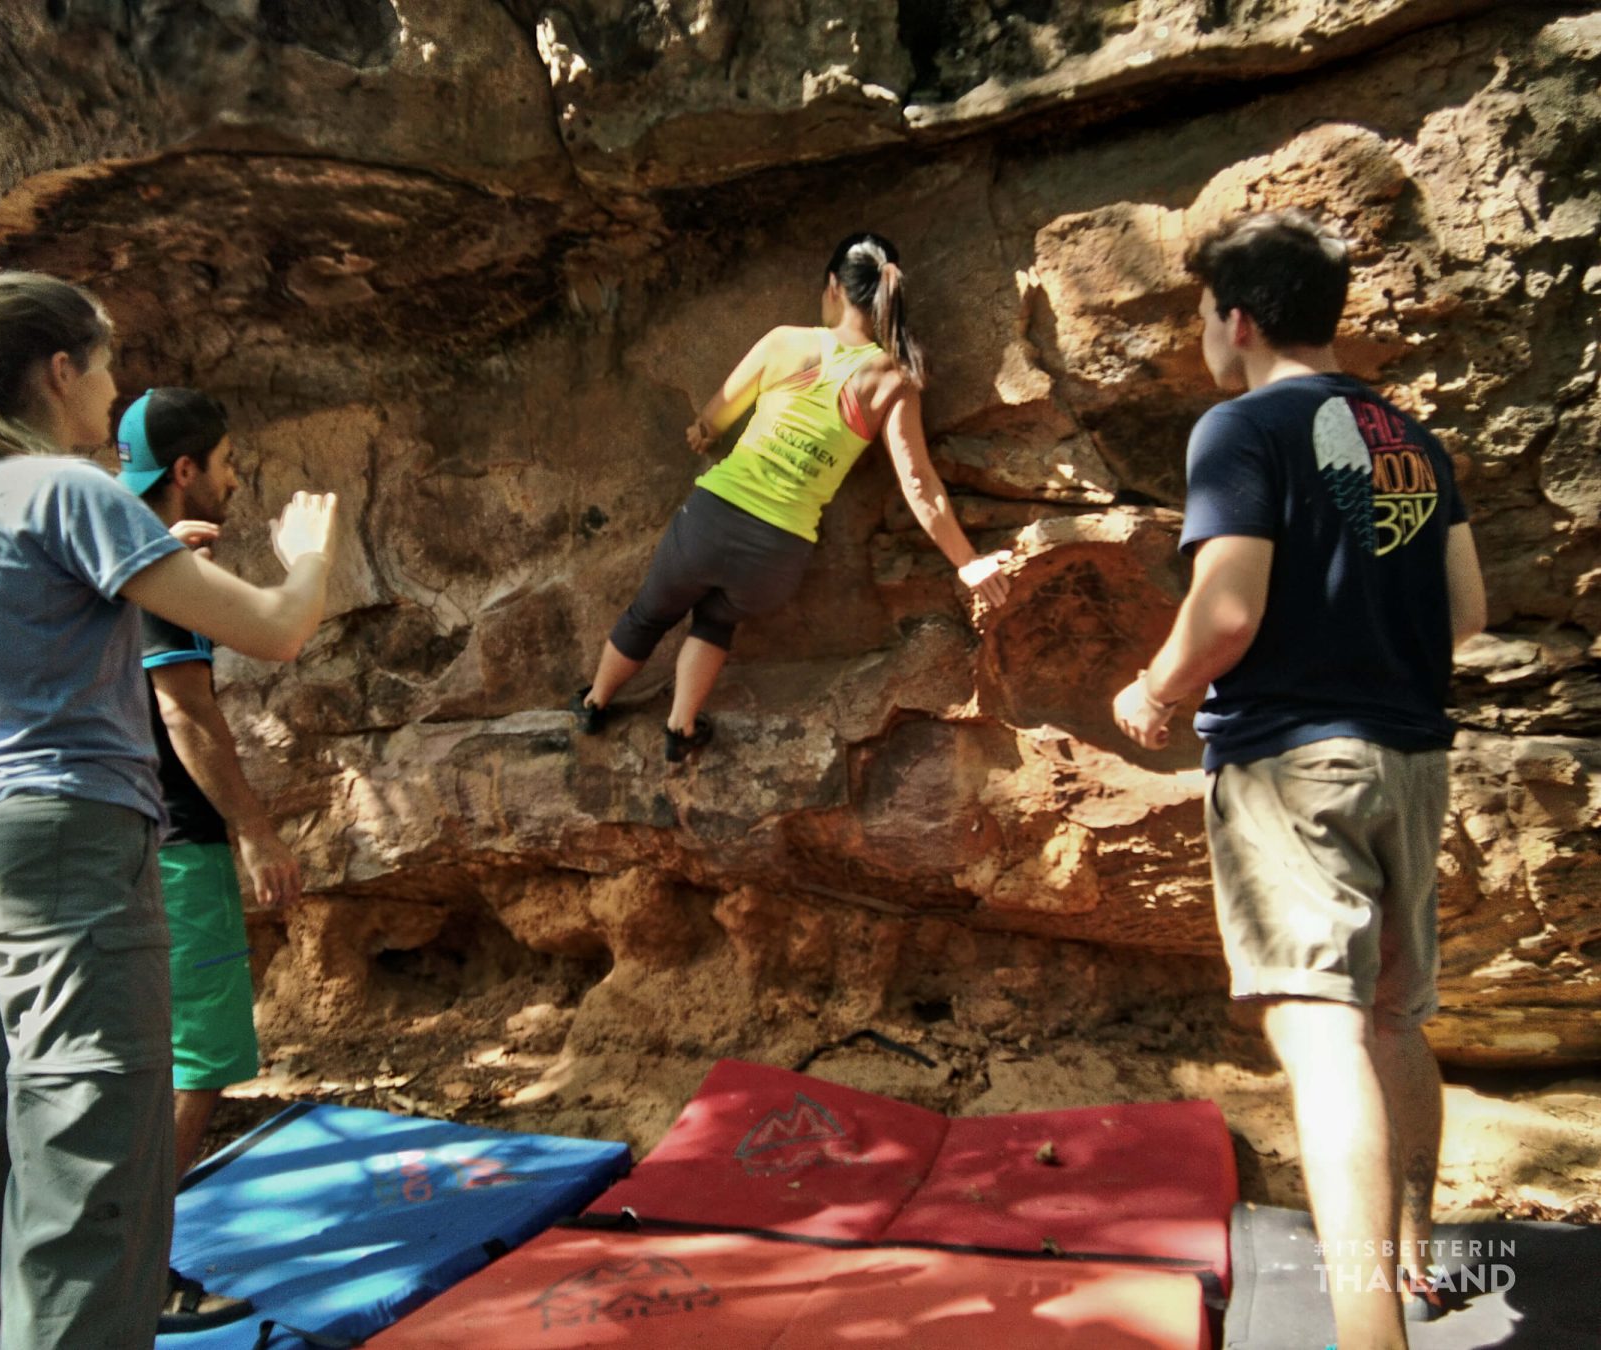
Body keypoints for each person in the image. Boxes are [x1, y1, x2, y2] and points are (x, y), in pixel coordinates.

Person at [0, 271, 337, 1348]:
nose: (117, 387)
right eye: (110, 362)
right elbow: (274, 628)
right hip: (70, 859)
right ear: (60, 370)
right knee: (92, 1173)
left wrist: (153, 555)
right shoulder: (62, 490)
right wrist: (311, 559)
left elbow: (39, 623)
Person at [1110, 211, 1486, 1350]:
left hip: (1293, 763)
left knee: (1320, 1038)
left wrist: (1155, 692)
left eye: (1204, 316)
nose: (1205, 338)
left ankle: (1368, 1334)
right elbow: (1463, 610)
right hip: (1412, 756)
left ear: (1241, 317)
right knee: (1390, 1017)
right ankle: (1412, 1249)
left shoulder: (1241, 427)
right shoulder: (1412, 435)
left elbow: (1227, 606)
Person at [572, 232, 1011, 760]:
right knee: (716, 621)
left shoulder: (785, 341)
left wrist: (702, 433)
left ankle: (595, 704)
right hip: (776, 558)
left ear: (834, 286)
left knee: (648, 615)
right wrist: (967, 564)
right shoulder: (894, 380)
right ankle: (681, 729)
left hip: (710, 523)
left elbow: (719, 411)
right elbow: (919, 484)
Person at [113, 387, 301, 1184]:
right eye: (224, 464)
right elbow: (186, 712)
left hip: (111, 832)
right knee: (201, 1054)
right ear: (184, 468)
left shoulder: (104, 544)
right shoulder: (166, 574)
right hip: (175, 844)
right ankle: (137, 1258)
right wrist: (255, 832)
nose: (233, 480)